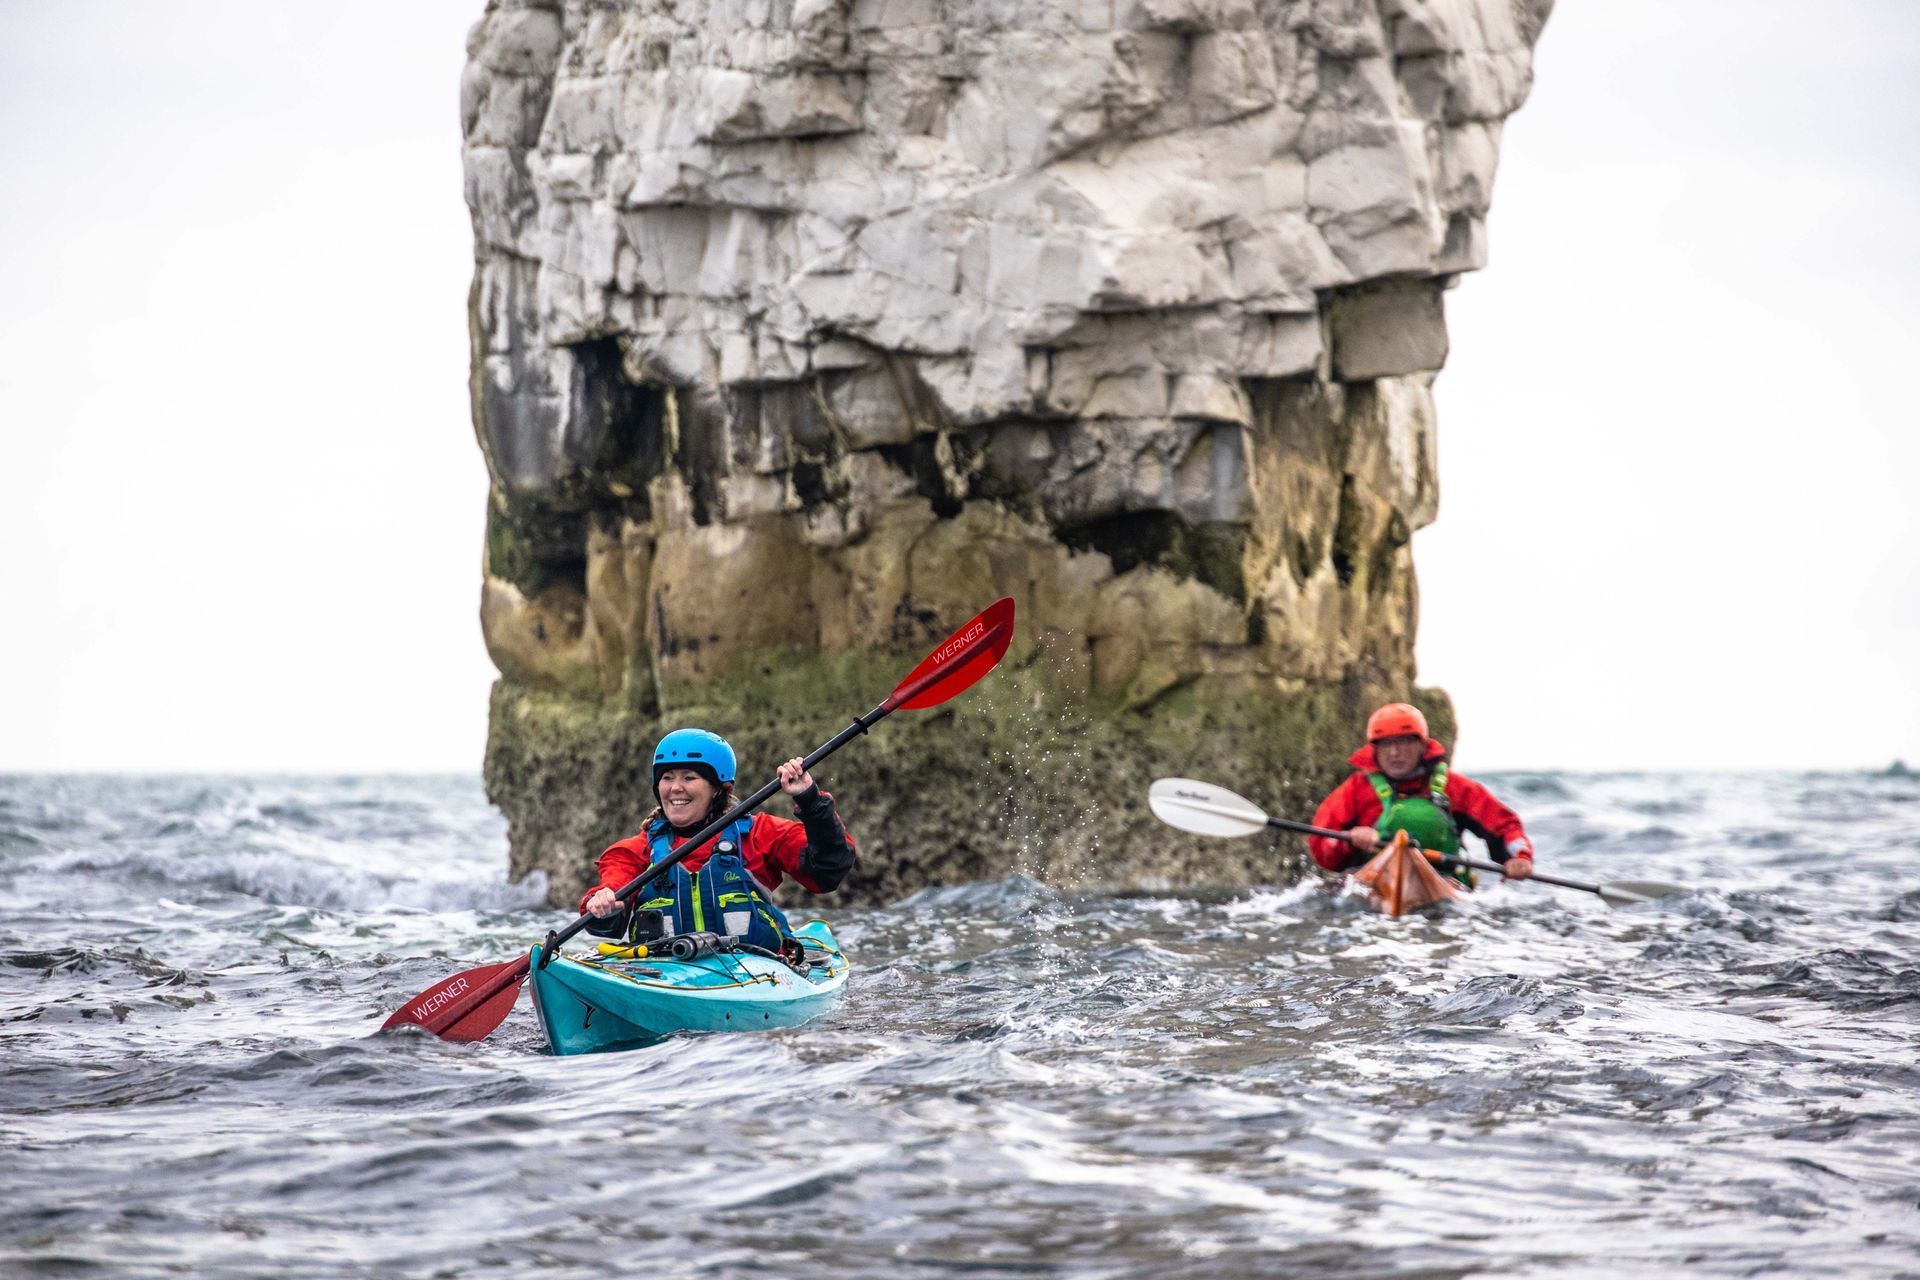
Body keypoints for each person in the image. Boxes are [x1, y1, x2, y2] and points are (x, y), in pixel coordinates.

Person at [580, 728, 856, 954]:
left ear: (717, 789)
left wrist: (809, 799)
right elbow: (611, 901)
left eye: (689, 777)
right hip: (663, 974)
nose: (675, 788)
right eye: (667, 778)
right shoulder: (633, 851)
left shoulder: (760, 834)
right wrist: (604, 904)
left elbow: (828, 870)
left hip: (757, 973)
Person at [1308, 703, 1535, 886]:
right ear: (1374, 749)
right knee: (1338, 886)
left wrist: (1520, 858)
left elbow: (1506, 828)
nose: (1395, 753)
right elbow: (1322, 843)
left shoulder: (1455, 788)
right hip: (1370, 880)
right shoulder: (1356, 789)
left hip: (1441, 882)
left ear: (1421, 745)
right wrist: (1349, 841)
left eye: (1404, 742)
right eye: (1386, 745)